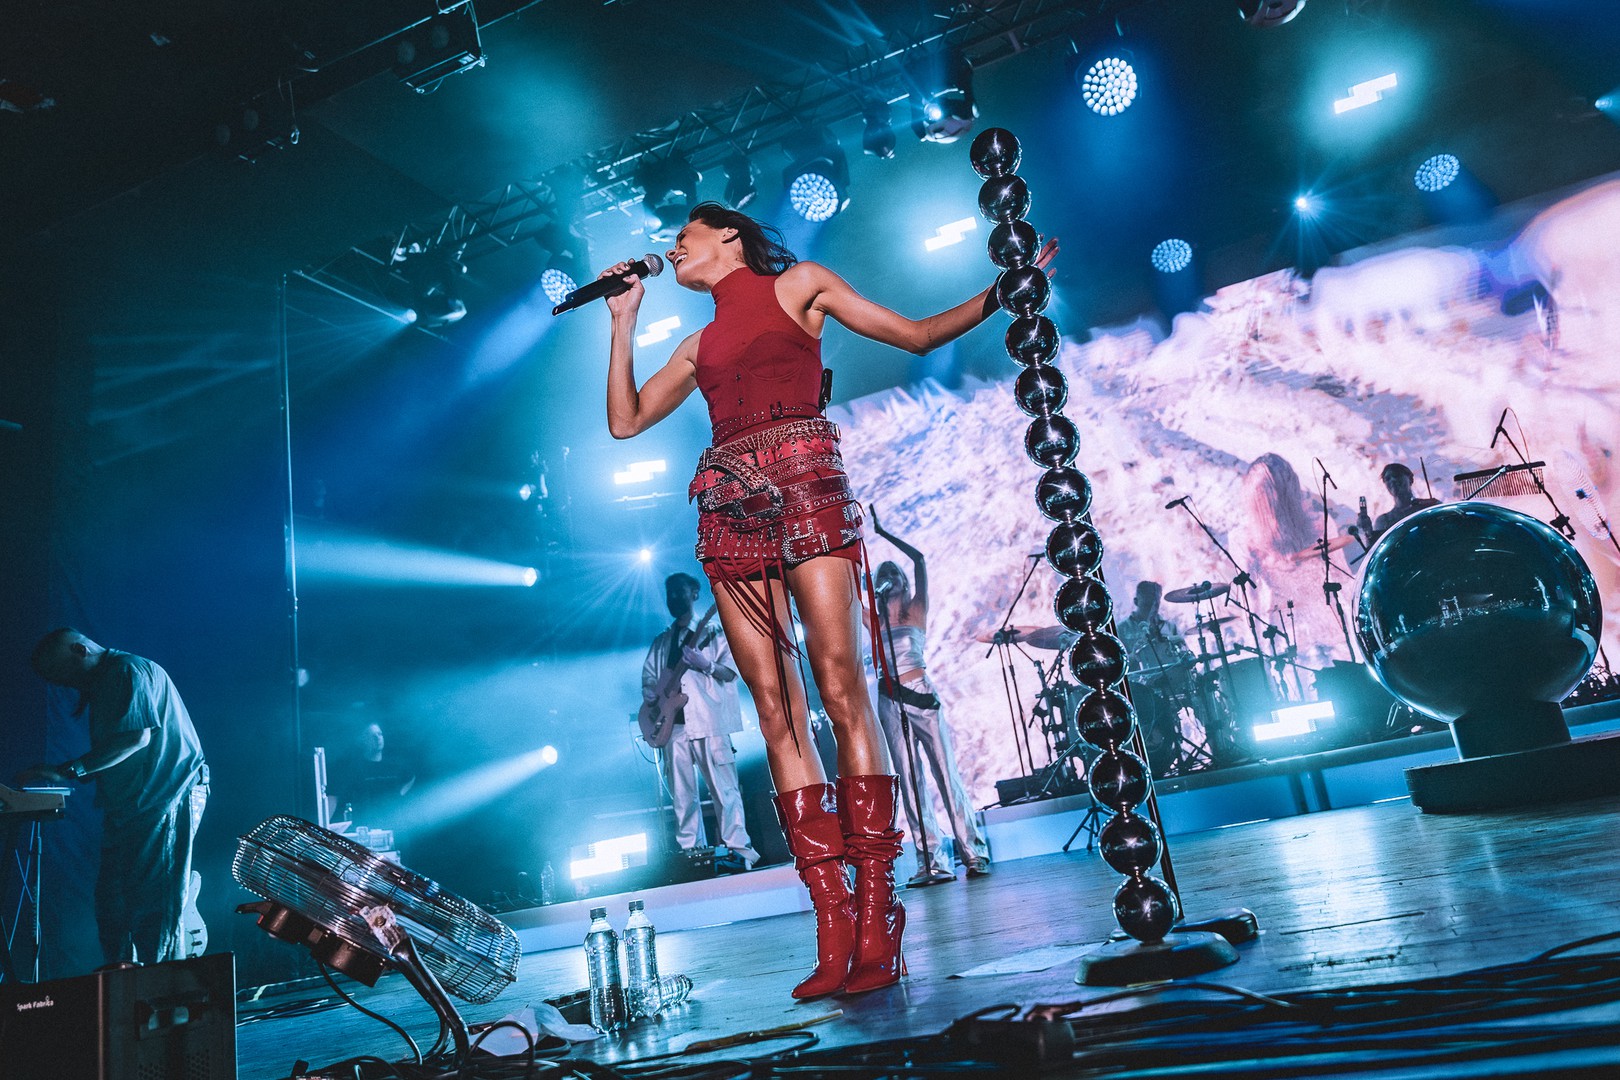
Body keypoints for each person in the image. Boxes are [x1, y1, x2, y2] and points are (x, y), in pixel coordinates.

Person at [598, 201, 1055, 1000]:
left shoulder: (799, 284)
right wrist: (622, 320)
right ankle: (833, 923)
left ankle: (879, 912)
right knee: (774, 713)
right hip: (727, 510)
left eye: (684, 236)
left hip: (807, 488)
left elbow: (916, 335)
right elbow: (625, 421)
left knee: (841, 689)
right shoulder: (694, 345)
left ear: (728, 235)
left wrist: (999, 293)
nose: (673, 248)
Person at [19, 629, 208, 966]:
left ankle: (162, 988)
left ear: (80, 650)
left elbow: (135, 738)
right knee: (113, 907)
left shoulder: (127, 670)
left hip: (164, 798)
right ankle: (125, 986)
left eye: (64, 673)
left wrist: (71, 770)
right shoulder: (109, 679)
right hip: (134, 806)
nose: (67, 684)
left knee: (153, 907)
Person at [870, 508, 991, 886]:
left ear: (903, 581)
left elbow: (920, 559)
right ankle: (931, 861)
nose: (890, 578)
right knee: (910, 781)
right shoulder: (872, 621)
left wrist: (883, 533)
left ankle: (973, 852)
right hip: (890, 701)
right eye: (884, 574)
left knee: (944, 773)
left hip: (921, 695)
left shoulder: (915, 610)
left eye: (895, 574)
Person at [642, 572, 760, 872]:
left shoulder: (716, 631)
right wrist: (652, 695)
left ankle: (739, 851)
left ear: (694, 594)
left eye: (679, 591)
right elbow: (649, 680)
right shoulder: (662, 642)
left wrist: (705, 664)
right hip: (673, 728)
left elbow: (732, 672)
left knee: (725, 790)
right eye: (669, 593)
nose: (674, 598)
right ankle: (691, 856)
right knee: (682, 796)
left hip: (710, 722)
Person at [327, 720, 415, 826]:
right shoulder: (353, 768)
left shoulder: (393, 766)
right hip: (364, 826)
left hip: (394, 825)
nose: (378, 738)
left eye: (380, 734)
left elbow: (411, 777)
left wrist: (400, 794)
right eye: (372, 736)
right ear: (362, 740)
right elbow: (334, 796)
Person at [1354, 462, 1441, 546]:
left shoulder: (1430, 506)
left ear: (1411, 479)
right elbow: (1375, 550)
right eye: (1387, 479)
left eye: (1397, 475)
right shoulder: (1383, 521)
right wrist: (1368, 532)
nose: (1392, 480)